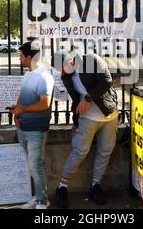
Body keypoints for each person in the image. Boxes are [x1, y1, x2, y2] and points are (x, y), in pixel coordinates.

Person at [52, 50, 118, 208]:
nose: (60, 72)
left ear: (70, 62)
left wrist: (88, 99)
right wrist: (75, 121)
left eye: (61, 68)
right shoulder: (66, 76)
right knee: (79, 152)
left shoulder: (92, 60)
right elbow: (76, 100)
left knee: (105, 151)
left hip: (109, 115)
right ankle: (62, 186)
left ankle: (95, 186)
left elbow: (107, 81)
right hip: (87, 117)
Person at [10, 41, 54, 209]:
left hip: (37, 128)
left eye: (21, 56)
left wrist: (24, 109)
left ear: (29, 57)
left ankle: (42, 201)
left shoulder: (44, 76)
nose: (19, 59)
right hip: (23, 126)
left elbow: (45, 103)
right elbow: (22, 94)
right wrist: (17, 112)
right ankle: (38, 197)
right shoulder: (29, 74)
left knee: (35, 165)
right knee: (34, 164)